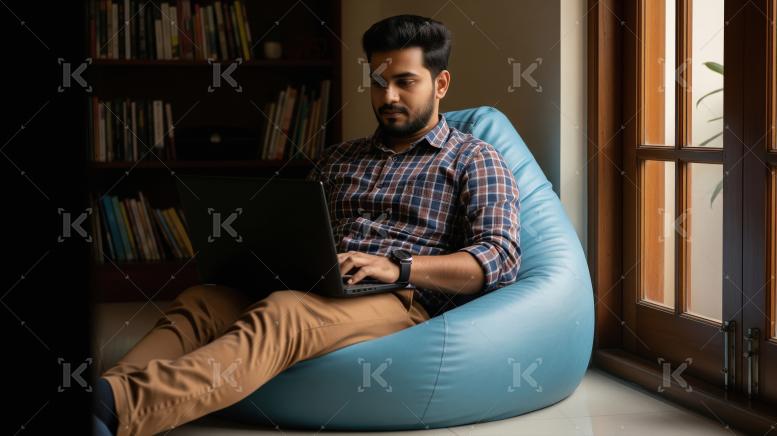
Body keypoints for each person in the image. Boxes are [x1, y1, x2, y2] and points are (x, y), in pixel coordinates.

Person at [93, 14, 521, 436]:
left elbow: (500, 258)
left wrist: (398, 267)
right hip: (317, 284)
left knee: (284, 312)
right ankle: (103, 396)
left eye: (405, 82)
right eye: (378, 82)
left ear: (440, 84)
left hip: (397, 299)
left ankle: (118, 409)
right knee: (202, 301)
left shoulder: (473, 158)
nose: (388, 96)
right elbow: (297, 230)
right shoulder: (339, 157)